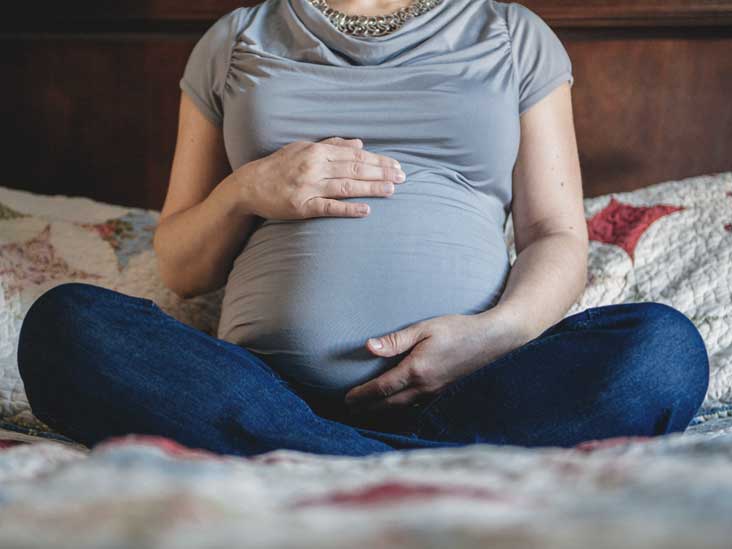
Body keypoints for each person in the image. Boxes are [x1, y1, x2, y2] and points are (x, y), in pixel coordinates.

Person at [17, 0, 710, 457]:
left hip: (474, 388)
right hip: (257, 385)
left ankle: (301, 454)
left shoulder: (511, 34)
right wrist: (246, 190)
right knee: (64, 326)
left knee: (663, 350)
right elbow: (182, 265)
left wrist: (492, 334)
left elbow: (557, 233)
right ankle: (421, 464)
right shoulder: (234, 41)